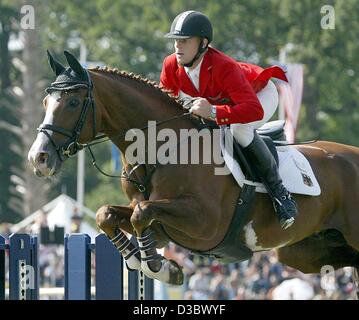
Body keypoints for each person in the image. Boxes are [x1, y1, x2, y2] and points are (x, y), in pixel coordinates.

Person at [160, 10, 297, 229]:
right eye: (176, 41)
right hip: (226, 102)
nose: (178, 46)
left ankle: (281, 194)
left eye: (185, 41)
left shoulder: (223, 66)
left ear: (203, 43)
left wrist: (214, 112)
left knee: (239, 130)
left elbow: (253, 110)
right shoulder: (170, 65)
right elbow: (166, 108)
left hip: (259, 95)